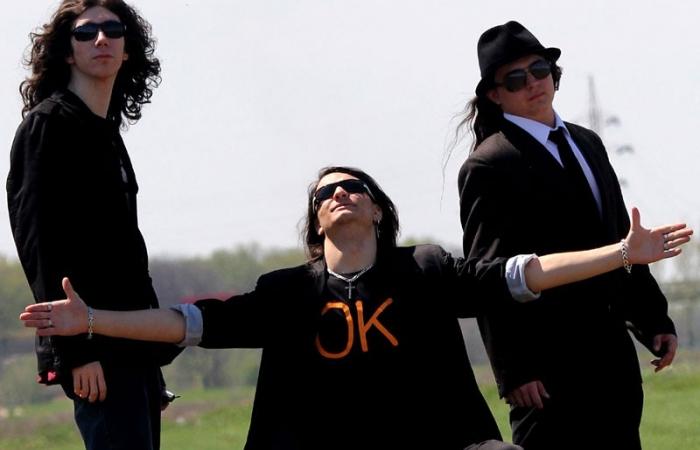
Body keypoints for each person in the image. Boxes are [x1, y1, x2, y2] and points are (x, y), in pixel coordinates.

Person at [20, 166, 691, 450]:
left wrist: (620, 254)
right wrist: (92, 322)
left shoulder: (424, 270)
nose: (339, 195)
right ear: (316, 224)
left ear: (376, 210)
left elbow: (523, 275)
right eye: (325, 194)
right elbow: (188, 323)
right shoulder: (289, 292)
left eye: (354, 188)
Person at [456, 20, 685, 449]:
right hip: (545, 379)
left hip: (613, 366)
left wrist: (654, 320)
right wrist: (513, 370)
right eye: (515, 79)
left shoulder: (588, 142)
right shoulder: (489, 164)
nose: (533, 83)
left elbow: (622, 241)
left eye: (539, 69)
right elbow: (487, 275)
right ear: (495, 94)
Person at [7, 1, 180, 449]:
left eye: (112, 30)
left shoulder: (106, 132)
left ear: (127, 48)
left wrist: (150, 353)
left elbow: (126, 253)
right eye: (85, 32)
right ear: (67, 51)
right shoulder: (48, 126)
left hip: (131, 344)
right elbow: (39, 245)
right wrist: (75, 353)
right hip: (92, 349)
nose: (101, 39)